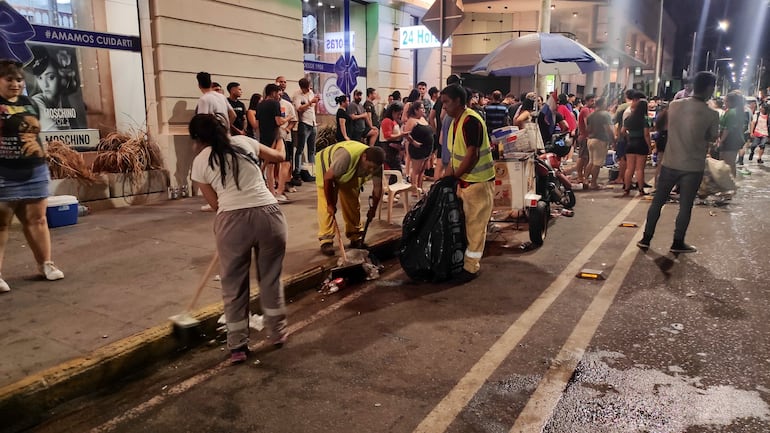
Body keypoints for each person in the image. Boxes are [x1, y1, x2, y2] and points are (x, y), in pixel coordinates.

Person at [189, 113, 288, 364]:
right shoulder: (245, 142)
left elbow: (215, 204)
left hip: (232, 222)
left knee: (234, 286)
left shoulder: (200, 162)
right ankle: (277, 333)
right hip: (269, 216)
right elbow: (279, 157)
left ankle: (238, 346)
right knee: (270, 279)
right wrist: (281, 139)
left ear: (197, 138)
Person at [0, 59, 65, 294]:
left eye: (19, 80)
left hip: (34, 169)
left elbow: (37, 134)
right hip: (4, 172)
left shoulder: (29, 103)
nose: (15, 84)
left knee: (38, 219)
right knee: (1, 224)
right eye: (9, 79)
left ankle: (45, 264)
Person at [638, 71, 719, 254]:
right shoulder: (711, 114)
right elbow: (713, 138)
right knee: (685, 206)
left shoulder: (674, 105)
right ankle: (677, 242)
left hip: (670, 162)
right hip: (693, 166)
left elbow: (661, 124)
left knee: (658, 201)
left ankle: (646, 238)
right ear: (709, 88)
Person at [441, 84, 495, 283]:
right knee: (465, 224)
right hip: (465, 182)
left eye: (446, 102)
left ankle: (471, 267)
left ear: (458, 101)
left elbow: (472, 155)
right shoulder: (455, 121)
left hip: (478, 183)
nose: (443, 106)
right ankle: (463, 261)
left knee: (475, 227)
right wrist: (446, 179)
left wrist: (453, 177)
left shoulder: (471, 121)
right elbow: (455, 157)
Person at [315, 141, 384, 256]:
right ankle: (326, 240)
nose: (371, 171)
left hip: (347, 172)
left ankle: (355, 236)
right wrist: (330, 204)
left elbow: (377, 188)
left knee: (353, 202)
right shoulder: (346, 157)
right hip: (327, 166)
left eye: (374, 168)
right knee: (326, 206)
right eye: (369, 167)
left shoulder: (377, 166)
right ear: (364, 157)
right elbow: (328, 178)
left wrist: (373, 209)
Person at [27, 45, 87, 131]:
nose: (45, 85)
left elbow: (77, 129)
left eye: (51, 77)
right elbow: (53, 132)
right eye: (40, 78)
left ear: (61, 77)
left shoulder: (64, 100)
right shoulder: (36, 102)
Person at [257, 84, 288, 198]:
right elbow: (278, 122)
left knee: (269, 166)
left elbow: (257, 124)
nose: (279, 95)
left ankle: (271, 191)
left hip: (263, 136)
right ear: (273, 93)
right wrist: (288, 118)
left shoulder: (260, 105)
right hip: (275, 136)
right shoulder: (275, 104)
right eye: (278, 93)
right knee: (284, 162)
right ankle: (279, 191)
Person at [620, 99, 652, 196]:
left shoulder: (629, 118)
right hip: (641, 143)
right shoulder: (645, 119)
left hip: (631, 143)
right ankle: (641, 189)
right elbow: (646, 134)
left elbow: (622, 131)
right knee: (639, 169)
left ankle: (626, 188)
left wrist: (629, 137)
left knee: (629, 168)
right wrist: (649, 146)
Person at [402, 101, 433, 193]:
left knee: (422, 170)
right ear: (416, 110)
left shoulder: (423, 119)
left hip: (427, 148)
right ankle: (414, 190)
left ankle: (420, 187)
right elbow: (406, 134)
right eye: (421, 108)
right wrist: (413, 142)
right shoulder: (411, 121)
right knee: (416, 170)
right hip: (418, 149)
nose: (423, 110)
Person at [292, 77, 318, 183]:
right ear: (301, 87)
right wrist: (310, 102)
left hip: (313, 123)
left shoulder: (311, 92)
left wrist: (314, 102)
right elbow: (299, 108)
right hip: (304, 123)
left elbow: (313, 107)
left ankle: (312, 172)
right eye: (306, 88)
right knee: (300, 149)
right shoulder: (297, 95)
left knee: (312, 150)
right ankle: (297, 172)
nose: (308, 89)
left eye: (309, 87)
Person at [585, 97, 613, 189]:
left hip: (590, 139)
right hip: (601, 140)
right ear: (603, 104)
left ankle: (585, 180)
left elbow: (588, 129)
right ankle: (593, 183)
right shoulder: (605, 115)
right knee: (597, 163)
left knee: (591, 162)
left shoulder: (590, 115)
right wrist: (612, 139)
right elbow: (608, 129)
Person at [717, 91, 746, 177]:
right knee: (730, 163)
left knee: (727, 164)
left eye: (726, 101)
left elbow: (727, 129)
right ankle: (731, 180)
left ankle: (729, 181)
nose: (724, 103)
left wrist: (721, 141)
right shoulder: (736, 111)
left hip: (729, 141)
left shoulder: (731, 112)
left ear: (731, 102)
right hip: (733, 141)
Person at [378, 102, 405, 174]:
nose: (399, 116)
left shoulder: (394, 121)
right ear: (393, 112)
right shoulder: (387, 121)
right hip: (389, 150)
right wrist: (401, 135)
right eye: (398, 114)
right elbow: (388, 136)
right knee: (396, 171)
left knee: (396, 171)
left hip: (393, 149)